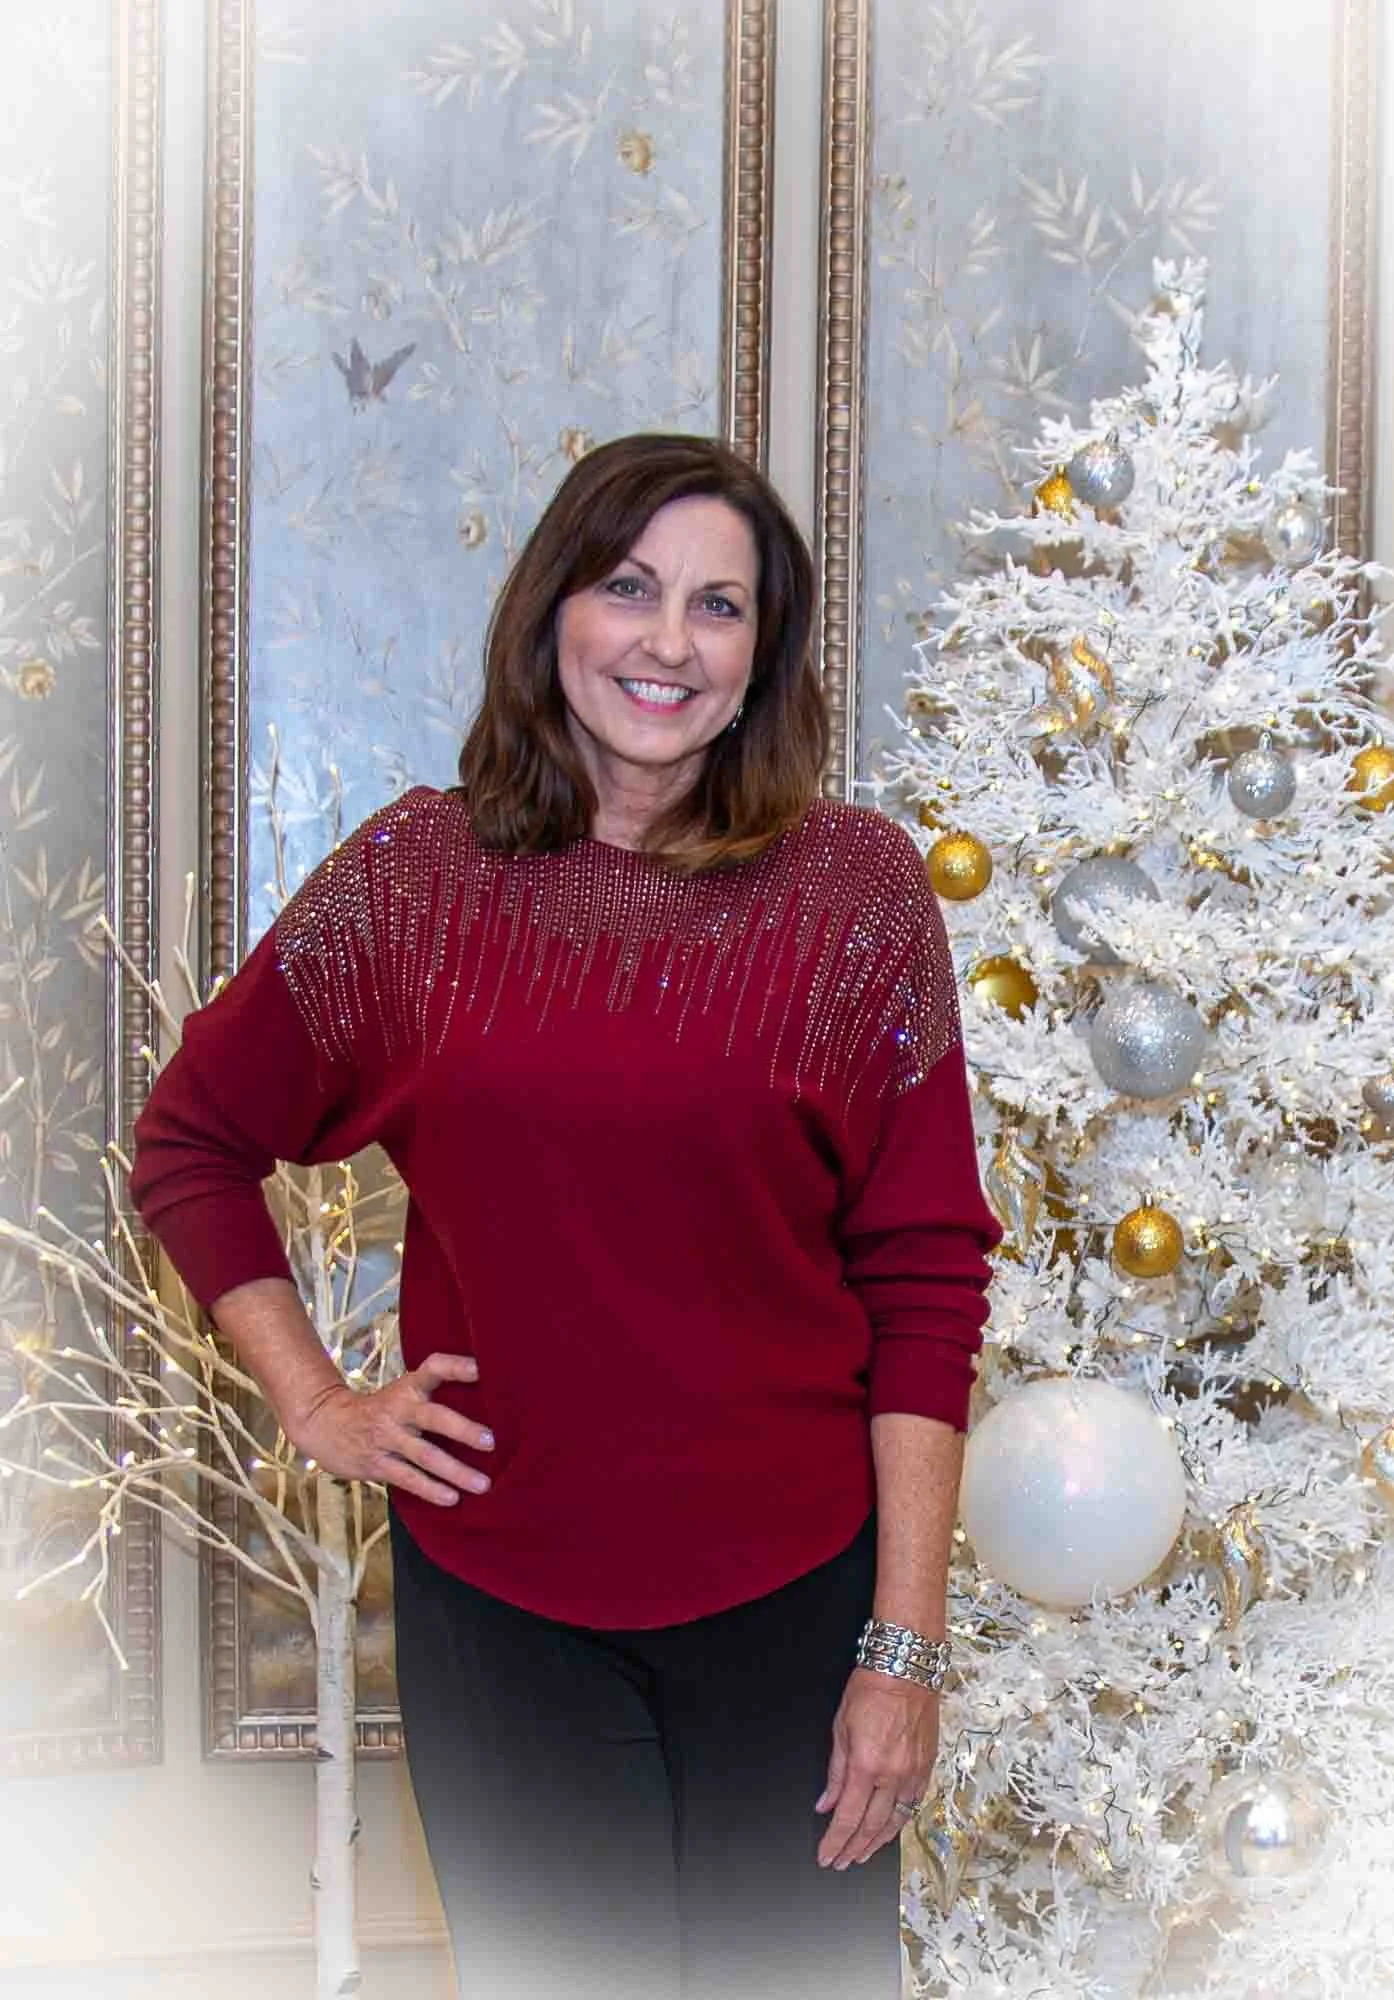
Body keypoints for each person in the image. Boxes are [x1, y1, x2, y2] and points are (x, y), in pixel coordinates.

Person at [129, 433, 999, 2000]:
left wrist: (904, 1650)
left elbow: (928, 1281)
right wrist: (315, 1399)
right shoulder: (417, 882)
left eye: (718, 607)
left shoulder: (856, 895)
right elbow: (192, 1141)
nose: (668, 641)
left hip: (795, 1606)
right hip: (502, 1615)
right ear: (554, 617)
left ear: (761, 658)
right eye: (629, 588)